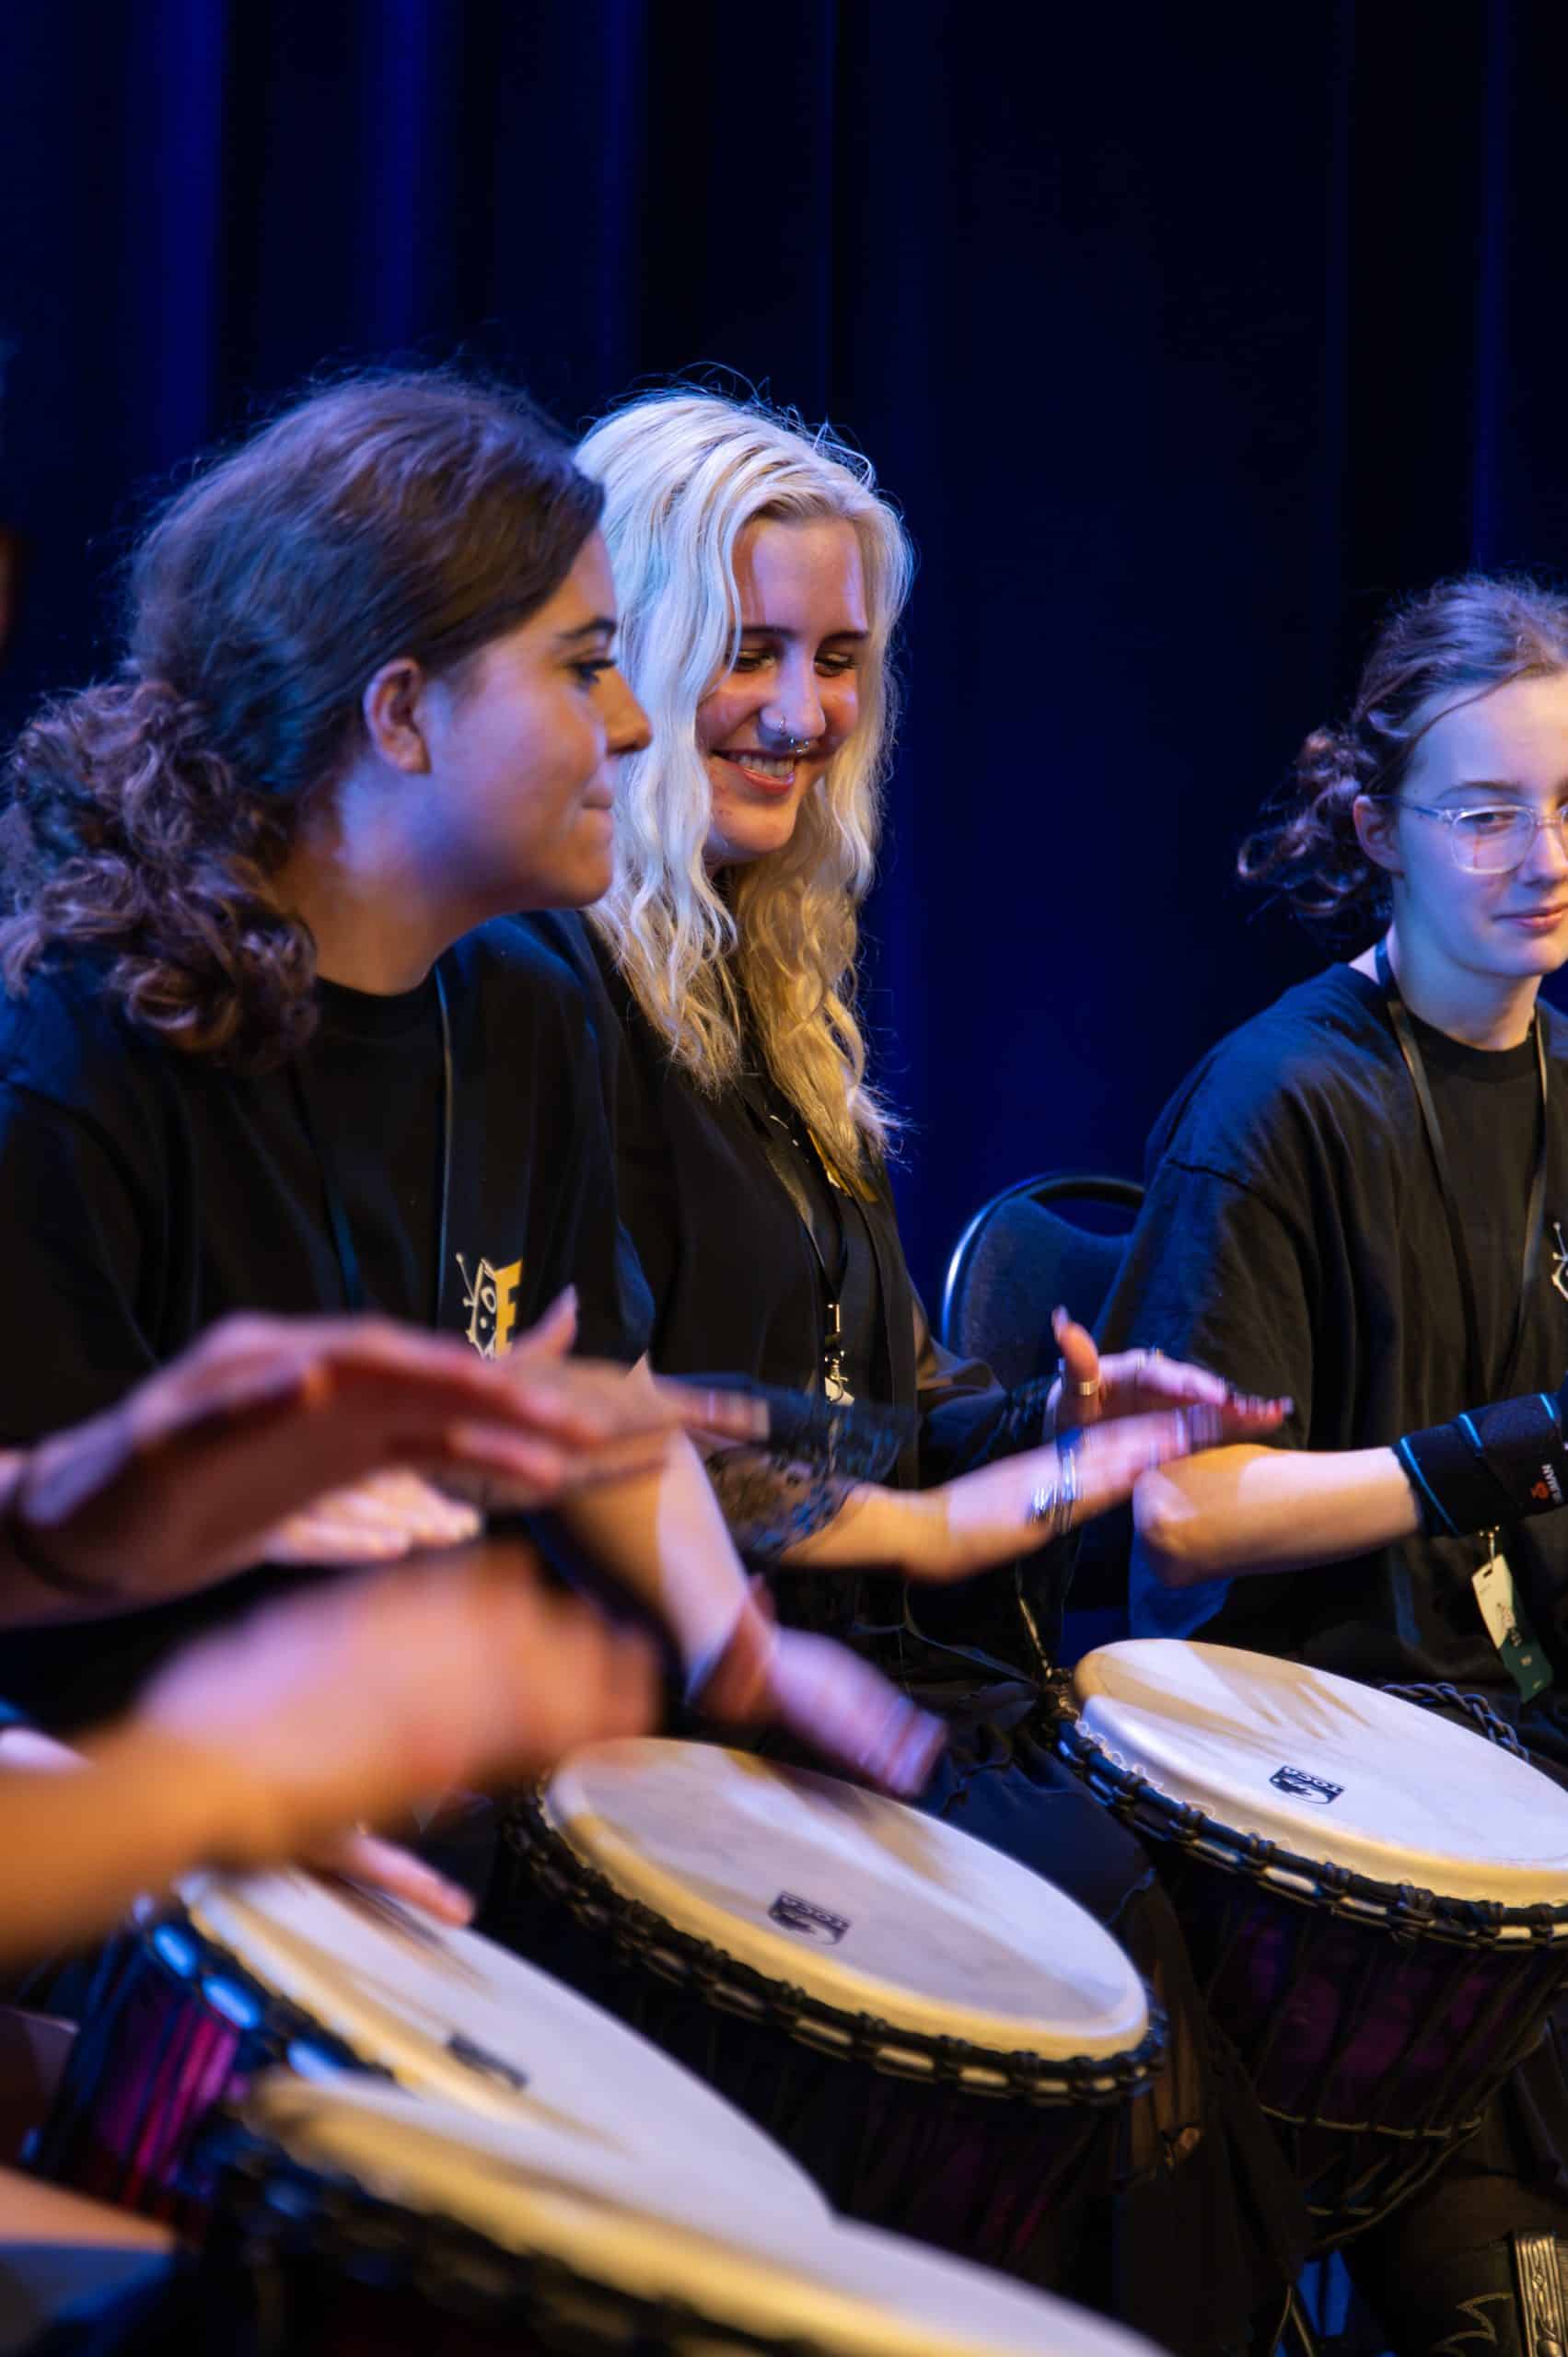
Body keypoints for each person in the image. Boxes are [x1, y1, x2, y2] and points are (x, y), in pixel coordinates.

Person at [520, 386, 1309, 2357]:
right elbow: (636, 1436)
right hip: (660, 1703)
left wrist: (1053, 1426)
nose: (801, 711)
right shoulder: (549, 992)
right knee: (1105, 1900)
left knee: (1159, 1877)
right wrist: (941, 1519)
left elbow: (849, 1401)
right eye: (750, 651)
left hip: (848, 1657)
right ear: (632, 661)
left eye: (840, 659)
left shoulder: (775, 976)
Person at [0, 368, 937, 1800]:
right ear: (401, 716)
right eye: (583, 666)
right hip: (136, 1850)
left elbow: (589, 1391)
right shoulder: (76, 1050)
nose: (633, 722)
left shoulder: (522, 1009)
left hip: (415, 1818)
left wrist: (734, 1644)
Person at [1098, 574, 1568, 2354]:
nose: (1544, 857)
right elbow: (1181, 1512)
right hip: (1343, 1793)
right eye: (1486, 813)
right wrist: (1484, 1461)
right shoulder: (1279, 1103)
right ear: (1375, 829)